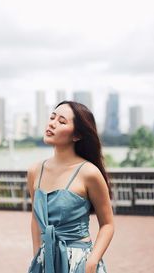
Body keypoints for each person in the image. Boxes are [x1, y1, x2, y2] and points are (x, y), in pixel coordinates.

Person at [27, 101, 114, 273]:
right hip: (46, 260)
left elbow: (108, 224)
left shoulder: (89, 172)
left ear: (77, 135)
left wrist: (92, 261)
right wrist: (37, 255)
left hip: (80, 262)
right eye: (52, 117)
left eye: (62, 121)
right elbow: (36, 220)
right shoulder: (35, 171)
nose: (52, 123)